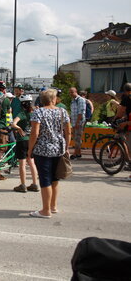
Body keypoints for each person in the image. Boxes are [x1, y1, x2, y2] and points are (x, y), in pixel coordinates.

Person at [28, 89, 71, 218]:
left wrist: (30, 149)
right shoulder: (62, 111)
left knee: (45, 179)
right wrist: (66, 147)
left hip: (43, 149)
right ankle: (53, 206)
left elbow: (34, 133)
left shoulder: (38, 112)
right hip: (59, 149)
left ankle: (45, 210)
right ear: (53, 99)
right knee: (55, 178)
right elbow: (68, 131)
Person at [11, 95, 39, 193]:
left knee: (22, 164)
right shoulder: (34, 113)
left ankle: (23, 185)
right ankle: (35, 184)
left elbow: (13, 124)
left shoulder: (22, 113)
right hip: (31, 140)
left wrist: (19, 128)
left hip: (22, 140)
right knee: (31, 162)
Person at [69, 87, 86, 160]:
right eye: (70, 92)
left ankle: (76, 153)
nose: (70, 94)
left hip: (79, 122)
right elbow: (72, 112)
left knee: (77, 138)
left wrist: (77, 123)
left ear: (76, 92)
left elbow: (80, 113)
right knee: (76, 138)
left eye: (72, 92)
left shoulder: (80, 100)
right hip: (74, 122)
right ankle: (78, 153)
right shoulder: (73, 101)